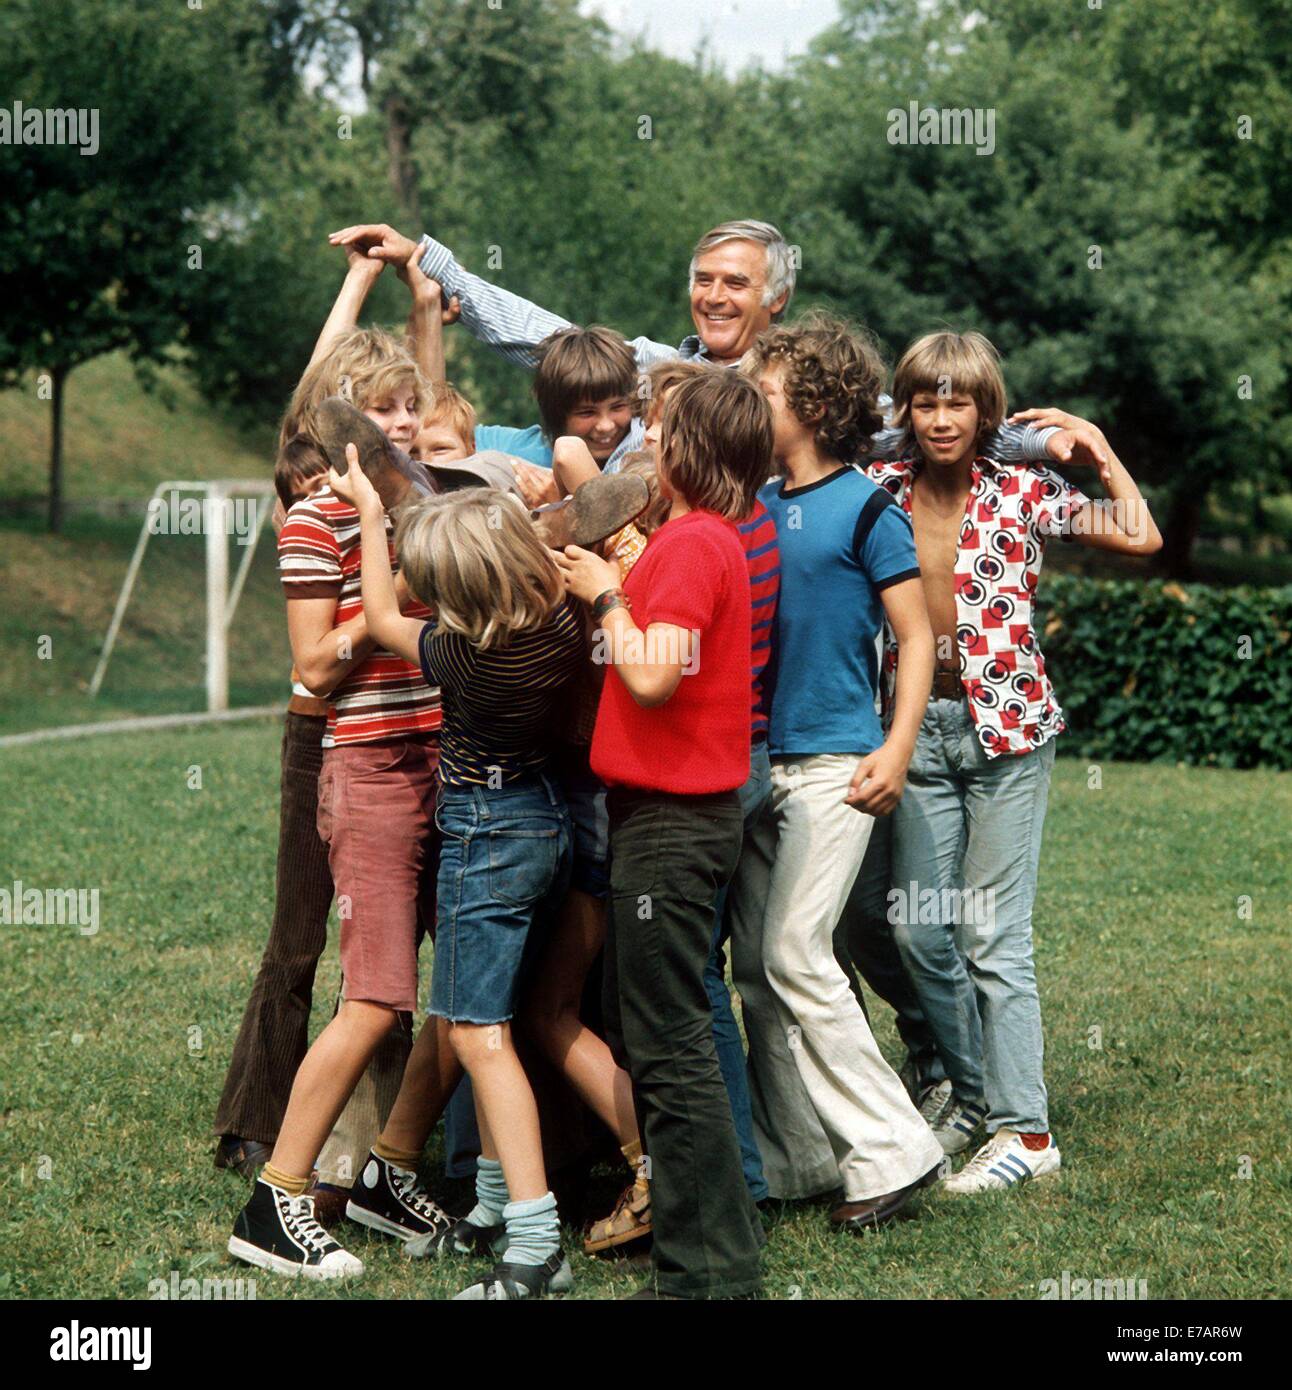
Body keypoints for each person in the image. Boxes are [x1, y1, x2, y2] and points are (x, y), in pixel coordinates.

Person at [873, 332, 1162, 1190]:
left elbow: (1141, 535)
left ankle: (1027, 1134)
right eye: (925, 402)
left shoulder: (1026, 490)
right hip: (916, 729)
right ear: (909, 411)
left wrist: (1100, 447)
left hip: (1009, 734)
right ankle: (969, 1096)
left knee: (993, 935)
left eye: (957, 401)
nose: (940, 418)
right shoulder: (878, 492)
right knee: (919, 929)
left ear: (985, 412)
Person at [212, 248, 446, 1209]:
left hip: (418, 734)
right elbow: (323, 396)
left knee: (389, 953)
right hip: (331, 733)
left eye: (407, 412)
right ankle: (259, 1124)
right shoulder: (309, 498)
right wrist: (355, 286)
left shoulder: (423, 487)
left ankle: (371, 1139)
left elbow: (412, 404)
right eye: (373, 410)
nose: (397, 426)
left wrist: (424, 298)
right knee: (303, 939)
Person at [332, 460, 587, 1299]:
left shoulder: (457, 654)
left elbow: (375, 612)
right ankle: (484, 1206)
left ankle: (535, 1239)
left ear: (454, 597)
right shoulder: (562, 617)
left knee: (478, 1032)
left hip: (485, 831)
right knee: (488, 1006)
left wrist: (373, 513)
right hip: (551, 819)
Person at [726, 313, 945, 1232]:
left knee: (796, 956)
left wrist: (895, 749)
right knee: (754, 975)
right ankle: (804, 1158)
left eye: (765, 394)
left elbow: (919, 634)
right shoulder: (754, 503)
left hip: (838, 765)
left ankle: (896, 1150)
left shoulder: (867, 507)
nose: (749, 408)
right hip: (757, 767)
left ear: (812, 404)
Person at [556, 369, 772, 1299]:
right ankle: (714, 1258)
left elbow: (647, 678)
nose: (644, 442)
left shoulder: (690, 546)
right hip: (683, 821)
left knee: (671, 1048)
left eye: (657, 429)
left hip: (670, 828)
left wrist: (607, 593)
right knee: (671, 1037)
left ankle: (705, 1272)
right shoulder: (706, 539)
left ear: (686, 452)